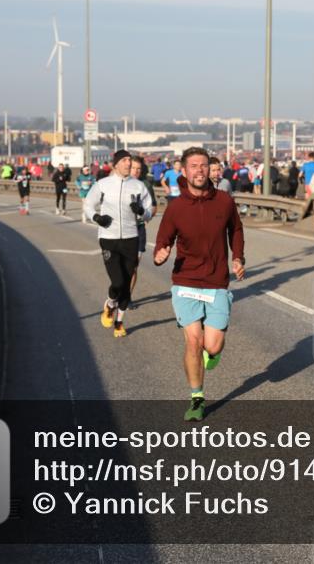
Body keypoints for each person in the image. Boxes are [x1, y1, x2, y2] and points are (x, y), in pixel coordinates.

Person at [153, 148, 245, 422]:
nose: (199, 170)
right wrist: (161, 253)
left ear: (211, 169)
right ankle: (197, 397)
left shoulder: (225, 201)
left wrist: (238, 257)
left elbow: (236, 230)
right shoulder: (176, 207)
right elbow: (163, 239)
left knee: (212, 346)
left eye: (204, 165)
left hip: (216, 281)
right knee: (193, 342)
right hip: (186, 281)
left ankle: (212, 354)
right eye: (193, 165)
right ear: (184, 170)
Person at [83, 150, 154, 337]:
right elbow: (88, 205)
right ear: (115, 165)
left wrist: (141, 211)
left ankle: (119, 323)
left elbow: (148, 211)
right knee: (118, 281)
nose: (128, 164)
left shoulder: (138, 186)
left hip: (131, 237)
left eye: (130, 161)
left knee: (127, 281)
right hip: (108, 237)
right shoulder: (103, 184)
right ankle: (110, 303)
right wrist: (97, 217)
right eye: (124, 160)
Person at [128, 156, 158, 303]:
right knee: (121, 268)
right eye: (133, 168)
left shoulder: (146, 184)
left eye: (138, 169)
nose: (135, 171)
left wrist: (146, 215)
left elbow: (154, 207)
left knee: (133, 267)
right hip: (122, 230)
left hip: (139, 230)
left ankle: (127, 297)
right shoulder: (120, 183)